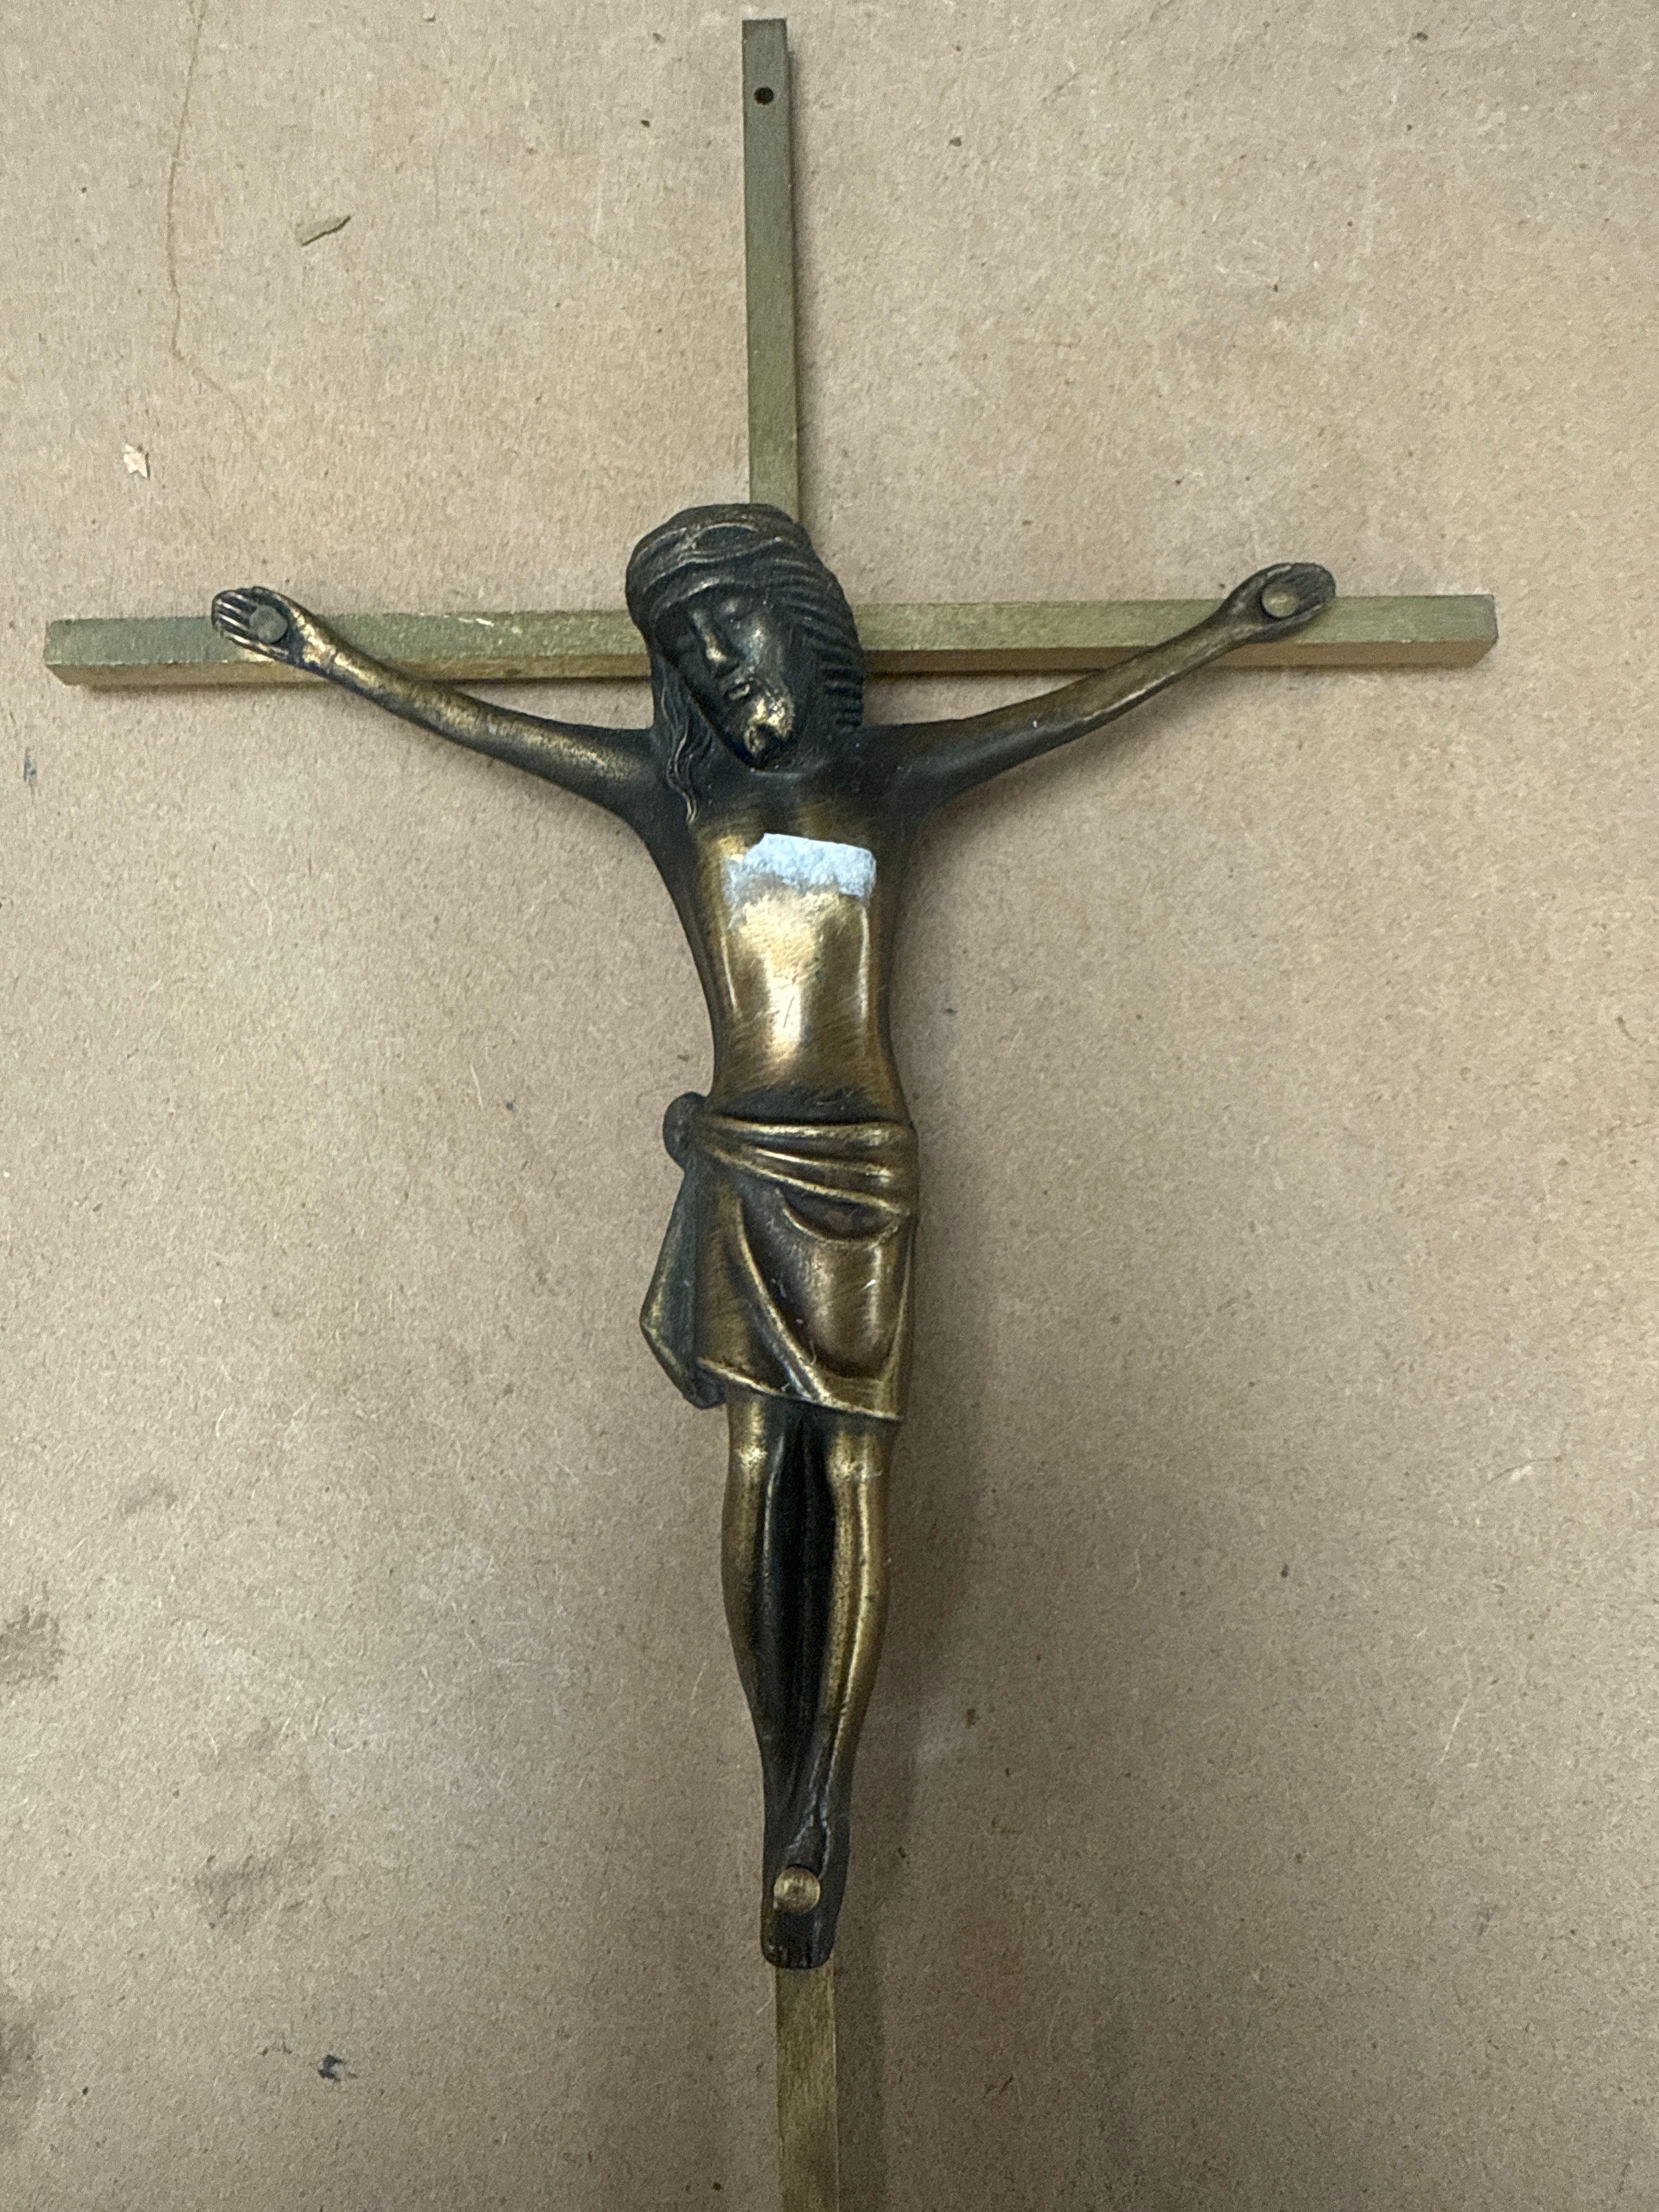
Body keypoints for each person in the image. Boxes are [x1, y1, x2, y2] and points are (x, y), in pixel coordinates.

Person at [213, 507, 1333, 1968]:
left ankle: (823, 1801)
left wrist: (1224, 632)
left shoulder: (888, 781)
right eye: (689, 655)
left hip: (861, 1170)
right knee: (754, 1457)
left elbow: (1063, 714)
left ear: (802, 628)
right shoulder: (671, 796)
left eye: (732, 632)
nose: (723, 673)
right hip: (744, 1159)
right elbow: (487, 730)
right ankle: (773, 1785)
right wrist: (331, 659)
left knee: (853, 1470)